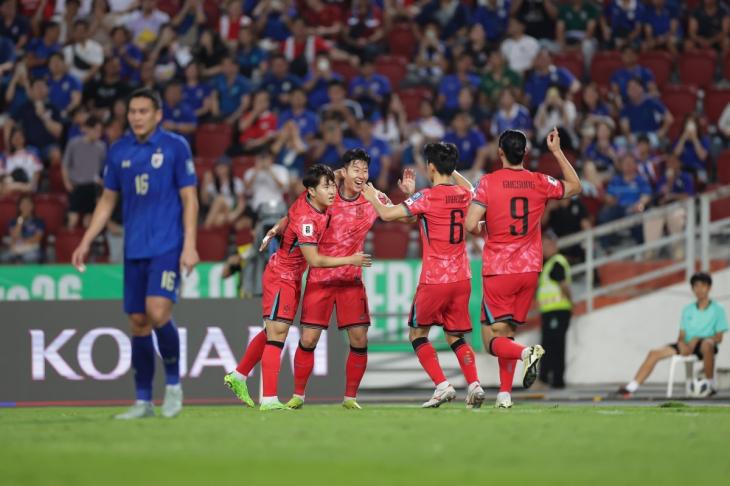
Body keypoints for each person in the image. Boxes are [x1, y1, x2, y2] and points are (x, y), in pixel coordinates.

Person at [71, 88, 200, 420]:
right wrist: (86, 240)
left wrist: (189, 244)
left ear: (158, 115)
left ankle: (173, 386)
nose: (137, 117)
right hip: (134, 248)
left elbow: (189, 198)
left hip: (167, 245)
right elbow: (107, 201)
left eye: (144, 111)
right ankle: (143, 401)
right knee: (138, 322)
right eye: (132, 111)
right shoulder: (118, 151)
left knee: (157, 312)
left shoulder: (174, 146)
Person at [223, 164, 371, 411]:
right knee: (278, 332)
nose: (333, 190)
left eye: (332, 185)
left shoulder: (308, 201)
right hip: (282, 276)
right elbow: (315, 260)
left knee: (273, 329)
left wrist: (277, 227)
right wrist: (350, 260)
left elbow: (290, 215)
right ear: (312, 192)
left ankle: (238, 376)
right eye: (327, 186)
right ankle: (269, 399)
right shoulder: (308, 220)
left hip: (290, 277)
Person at [284, 149, 412, 410]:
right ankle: (298, 395)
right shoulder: (326, 198)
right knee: (309, 339)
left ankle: (350, 398)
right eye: (356, 169)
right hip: (320, 278)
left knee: (359, 337)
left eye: (365, 170)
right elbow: (299, 209)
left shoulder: (373, 199)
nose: (362, 175)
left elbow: (408, 216)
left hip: (350, 281)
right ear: (343, 172)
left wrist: (409, 195)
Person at [362, 142, 486, 409]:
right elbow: (470, 192)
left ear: (430, 167)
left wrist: (371, 194)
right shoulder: (464, 196)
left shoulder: (426, 197)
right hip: (462, 278)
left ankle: (442, 385)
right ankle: (474, 384)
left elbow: (386, 214)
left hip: (434, 279)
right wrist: (444, 175)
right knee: (456, 336)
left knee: (417, 334)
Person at [465, 128, 582, 408]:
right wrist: (556, 152)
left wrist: (487, 225)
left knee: (489, 337)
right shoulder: (539, 181)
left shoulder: (489, 182)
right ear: (525, 153)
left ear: (500, 152)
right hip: (530, 270)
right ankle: (505, 395)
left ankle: (527, 353)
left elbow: (470, 224)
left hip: (499, 269)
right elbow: (575, 186)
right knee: (506, 332)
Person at [617, 273, 728, 398]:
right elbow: (681, 335)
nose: (699, 289)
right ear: (692, 289)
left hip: (706, 345)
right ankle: (631, 387)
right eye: (696, 286)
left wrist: (697, 339)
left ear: (709, 287)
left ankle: (709, 384)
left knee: (707, 345)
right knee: (654, 353)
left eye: (703, 286)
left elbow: (719, 337)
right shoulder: (688, 310)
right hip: (686, 345)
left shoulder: (718, 309)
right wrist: (682, 345)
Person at [536, 231, 572, 389]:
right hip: (551, 310)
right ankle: (552, 379)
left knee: (553, 345)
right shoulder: (550, 263)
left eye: (545, 245)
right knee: (551, 344)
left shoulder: (556, 262)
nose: (543, 248)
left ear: (553, 245)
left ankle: (553, 379)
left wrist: (571, 302)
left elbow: (564, 286)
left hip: (557, 310)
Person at [62, 116, 106, 229]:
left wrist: (102, 181)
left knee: (89, 222)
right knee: (73, 219)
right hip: (77, 186)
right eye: (96, 130)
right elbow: (65, 165)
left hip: (92, 187)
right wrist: (67, 182)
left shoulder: (101, 147)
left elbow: (103, 168)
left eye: (100, 131)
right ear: (87, 129)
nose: (98, 134)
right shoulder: (74, 144)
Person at [200, 157, 248, 230]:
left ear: (228, 168)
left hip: (232, 210)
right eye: (218, 166)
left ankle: (205, 229)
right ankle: (209, 234)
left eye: (222, 166)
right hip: (220, 213)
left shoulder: (236, 182)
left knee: (220, 199)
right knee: (218, 219)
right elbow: (204, 201)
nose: (219, 169)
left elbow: (241, 203)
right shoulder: (213, 184)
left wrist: (234, 215)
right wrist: (205, 183)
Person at [1, 195, 44, 264]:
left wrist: (22, 242)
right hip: (16, 249)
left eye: (27, 204)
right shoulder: (13, 221)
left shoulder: (38, 221)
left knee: (30, 257)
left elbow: (37, 238)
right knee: (4, 257)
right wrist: (20, 220)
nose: (25, 207)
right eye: (23, 204)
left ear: (32, 206)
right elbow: (15, 236)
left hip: (32, 248)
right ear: (19, 206)